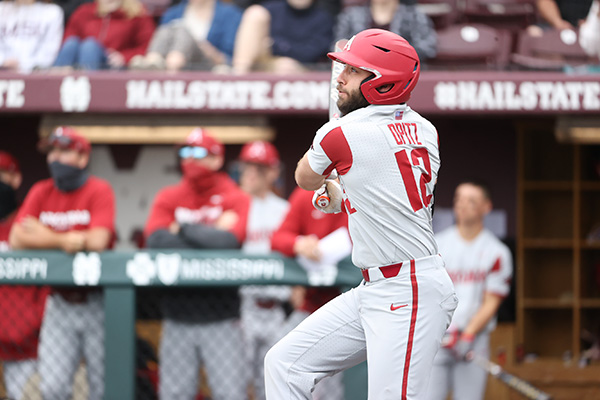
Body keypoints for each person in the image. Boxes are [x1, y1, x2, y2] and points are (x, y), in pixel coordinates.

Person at [264, 29, 457, 399]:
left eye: (354, 71)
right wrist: (340, 188)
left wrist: (329, 160)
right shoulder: (425, 129)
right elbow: (378, 179)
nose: (341, 77)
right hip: (376, 287)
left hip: (409, 288)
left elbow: (304, 178)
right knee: (285, 364)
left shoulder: (342, 133)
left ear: (382, 82)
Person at [9, 127, 116, 400]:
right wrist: (64, 241)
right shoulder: (41, 191)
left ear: (82, 158)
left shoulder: (99, 189)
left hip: (98, 302)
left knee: (103, 389)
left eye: (64, 151)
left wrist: (45, 235)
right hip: (58, 303)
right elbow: (17, 238)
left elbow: (97, 240)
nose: (56, 158)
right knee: (53, 388)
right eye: (52, 151)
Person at [144, 128, 250, 400]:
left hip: (222, 316)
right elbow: (155, 239)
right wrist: (209, 232)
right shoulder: (169, 196)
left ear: (216, 159)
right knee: (175, 395)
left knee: (230, 394)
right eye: (185, 152)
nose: (190, 159)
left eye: (198, 153)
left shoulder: (234, 195)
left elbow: (229, 242)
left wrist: (181, 228)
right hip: (177, 313)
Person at [426, 181, 513, 400]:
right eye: (459, 199)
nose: (463, 205)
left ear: (486, 207)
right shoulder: (437, 245)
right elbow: (427, 293)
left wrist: (468, 334)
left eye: (471, 201)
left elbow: (491, 302)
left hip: (473, 340)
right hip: (437, 338)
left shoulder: (497, 252)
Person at [270, 186, 349, 400]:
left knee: (330, 389)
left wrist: (321, 251)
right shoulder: (306, 193)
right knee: (278, 360)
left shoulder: (354, 188)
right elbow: (278, 238)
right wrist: (299, 244)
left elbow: (350, 238)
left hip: (345, 309)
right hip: (308, 306)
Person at [236, 141, 291, 400]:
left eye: (259, 167)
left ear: (272, 172)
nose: (251, 172)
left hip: (277, 308)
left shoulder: (284, 210)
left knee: (274, 381)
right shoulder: (234, 207)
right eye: (247, 166)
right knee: (239, 381)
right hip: (243, 307)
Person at [0, 151, 48, 400]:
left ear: (15, 178)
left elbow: (51, 283)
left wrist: (28, 325)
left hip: (25, 346)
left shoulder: (30, 225)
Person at [129, 0, 242, 71]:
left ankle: (172, 65)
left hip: (206, 65)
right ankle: (153, 61)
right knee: (167, 29)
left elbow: (231, 58)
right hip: (170, 61)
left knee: (182, 29)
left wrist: (208, 50)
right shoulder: (173, 12)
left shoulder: (230, 14)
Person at [231, 0, 334, 74]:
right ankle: (238, 77)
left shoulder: (323, 18)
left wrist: (276, 45)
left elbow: (310, 53)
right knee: (255, 13)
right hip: (265, 64)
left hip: (304, 69)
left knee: (287, 67)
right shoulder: (270, 9)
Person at [52, 0, 155, 70]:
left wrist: (124, 57)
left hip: (113, 66)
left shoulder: (137, 15)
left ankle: (89, 91)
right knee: (71, 43)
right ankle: (54, 87)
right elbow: (67, 40)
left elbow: (147, 47)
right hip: (78, 63)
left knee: (90, 46)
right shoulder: (83, 12)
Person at [334, 0, 437, 62]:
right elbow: (338, 46)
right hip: (360, 73)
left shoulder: (414, 16)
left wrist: (396, 56)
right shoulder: (351, 15)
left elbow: (428, 47)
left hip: (401, 74)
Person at [0, 0, 63, 72]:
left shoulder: (52, 12)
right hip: (2, 71)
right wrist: (3, 61)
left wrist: (23, 65)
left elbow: (49, 51)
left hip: (36, 73)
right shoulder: (1, 9)